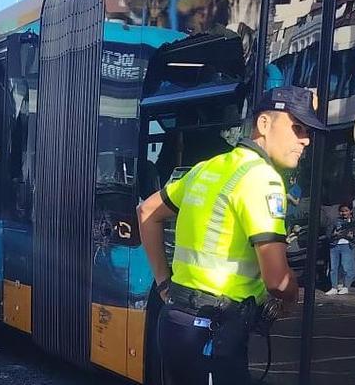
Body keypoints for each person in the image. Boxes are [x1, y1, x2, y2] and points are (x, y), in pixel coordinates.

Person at [137, 86, 323, 385]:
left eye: (308, 132)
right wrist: (292, 294)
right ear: (264, 124)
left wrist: (162, 283)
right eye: (297, 128)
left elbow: (147, 212)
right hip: (213, 330)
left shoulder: (207, 168)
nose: (305, 140)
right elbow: (277, 280)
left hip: (176, 322)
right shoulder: (263, 178)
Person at [326, 203, 355, 295]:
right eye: (342, 211)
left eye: (346, 211)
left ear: (350, 211)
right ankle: (334, 287)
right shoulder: (334, 221)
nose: (344, 213)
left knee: (346, 267)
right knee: (333, 267)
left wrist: (351, 237)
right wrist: (333, 234)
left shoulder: (353, 222)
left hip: (347, 246)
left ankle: (345, 286)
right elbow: (328, 233)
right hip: (335, 245)